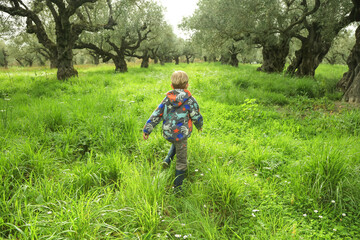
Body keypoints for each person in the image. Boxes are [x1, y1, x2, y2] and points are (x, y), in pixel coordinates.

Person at [143, 70, 203, 192]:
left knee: (176, 143)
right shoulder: (190, 100)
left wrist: (147, 129)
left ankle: (167, 160)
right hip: (181, 134)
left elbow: (156, 114)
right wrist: (199, 126)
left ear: (171, 86)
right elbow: (196, 116)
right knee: (181, 160)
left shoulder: (166, 99)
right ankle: (178, 188)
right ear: (187, 85)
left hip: (168, 132)